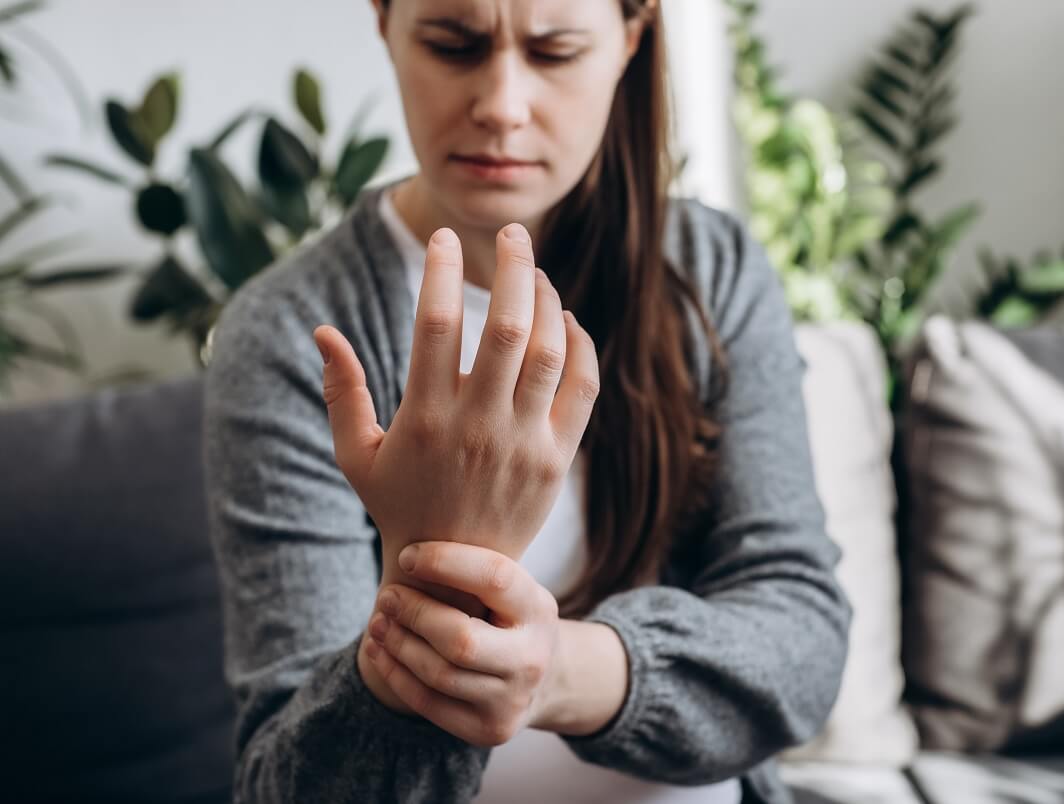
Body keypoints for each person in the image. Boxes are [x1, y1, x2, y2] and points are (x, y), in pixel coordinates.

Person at [202, 0, 850, 801]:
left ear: (630, 40)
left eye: (556, 50)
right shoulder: (291, 334)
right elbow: (285, 785)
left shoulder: (711, 272)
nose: (501, 105)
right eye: (452, 44)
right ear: (384, 23)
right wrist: (439, 571)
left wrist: (554, 675)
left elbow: (802, 636)